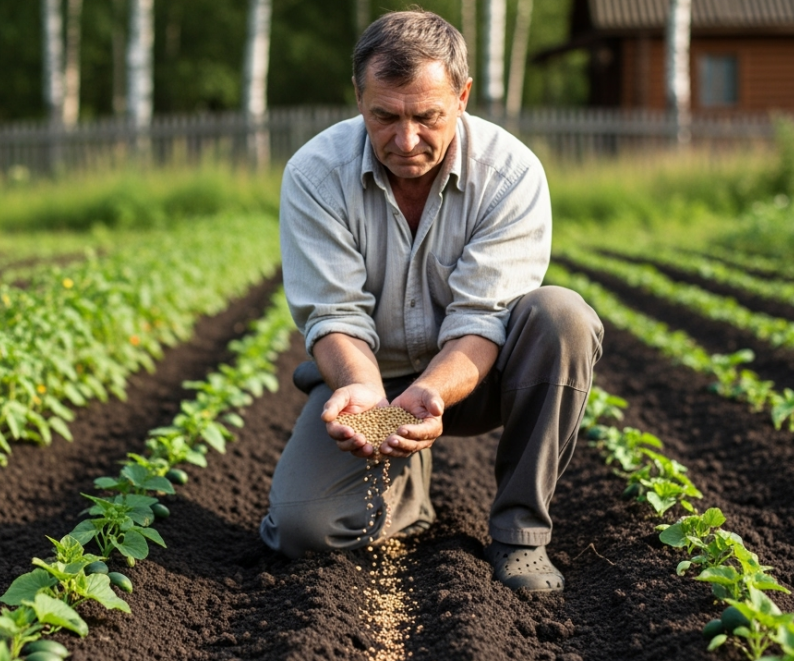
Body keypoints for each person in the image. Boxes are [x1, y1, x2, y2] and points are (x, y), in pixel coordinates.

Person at [258, 9, 603, 593]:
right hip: (377, 381)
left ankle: (521, 532)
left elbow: (483, 318)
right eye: (384, 116)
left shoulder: (510, 173)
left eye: (427, 116)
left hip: (482, 375)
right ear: (358, 97)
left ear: (463, 96)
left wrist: (430, 396)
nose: (406, 140)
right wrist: (367, 396)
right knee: (301, 531)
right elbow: (334, 314)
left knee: (562, 317)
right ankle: (405, 484)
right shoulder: (317, 174)